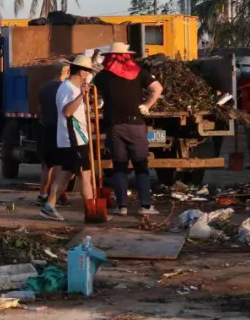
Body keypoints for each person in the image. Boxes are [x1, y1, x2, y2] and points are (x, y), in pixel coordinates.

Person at [93, 42, 162, 216]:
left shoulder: (103, 76)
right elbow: (157, 88)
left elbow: (90, 84)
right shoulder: (139, 73)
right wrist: (147, 105)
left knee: (119, 167)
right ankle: (145, 206)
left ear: (109, 57)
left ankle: (121, 206)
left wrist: (94, 60)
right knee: (141, 165)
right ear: (128, 56)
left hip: (115, 127)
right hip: (136, 126)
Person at [42, 55, 98, 221]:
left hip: (76, 137)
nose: (88, 76)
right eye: (87, 72)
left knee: (67, 173)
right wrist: (81, 95)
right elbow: (67, 112)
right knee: (84, 174)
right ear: (81, 72)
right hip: (74, 139)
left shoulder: (73, 88)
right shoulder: (68, 89)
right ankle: (92, 212)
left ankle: (49, 205)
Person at [36, 62, 70, 206]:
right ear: (67, 73)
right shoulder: (64, 88)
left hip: (46, 128)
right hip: (59, 129)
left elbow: (39, 108)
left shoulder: (44, 87)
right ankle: (57, 196)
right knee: (58, 165)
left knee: (46, 166)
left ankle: (42, 195)